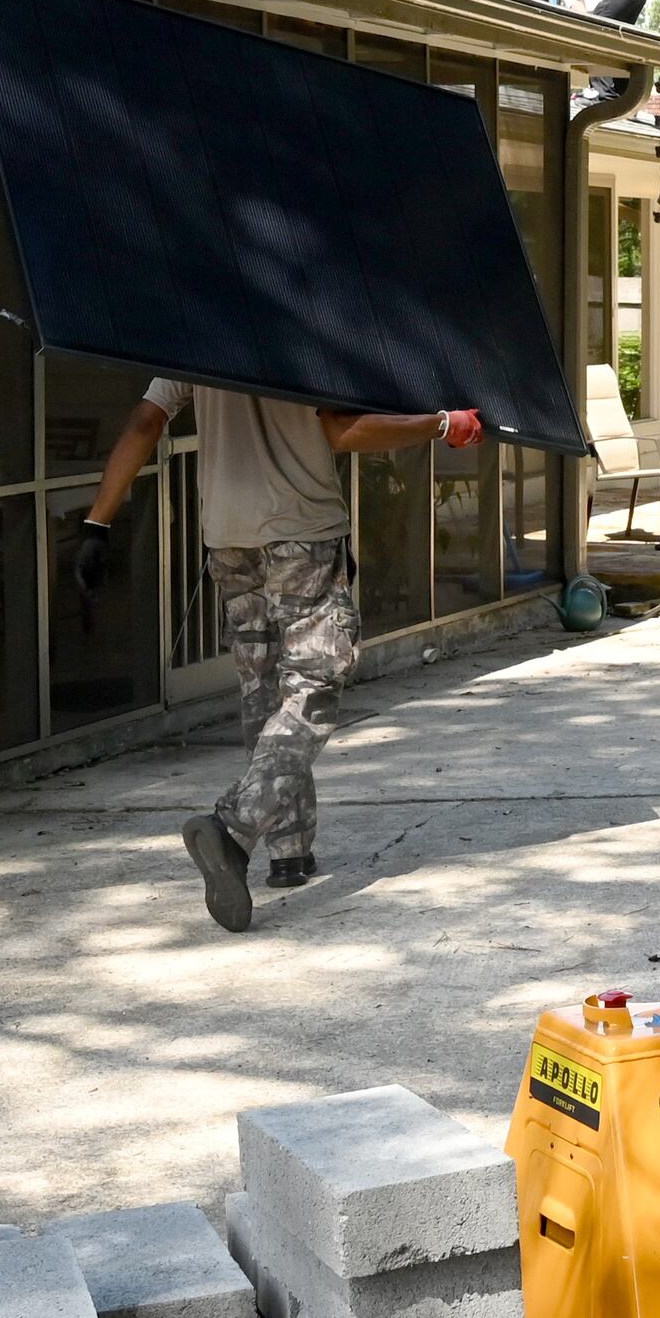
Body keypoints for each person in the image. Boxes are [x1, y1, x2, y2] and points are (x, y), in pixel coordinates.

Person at [70, 381, 482, 930]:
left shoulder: (195, 330)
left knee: (264, 693)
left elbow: (146, 421)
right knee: (311, 690)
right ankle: (233, 829)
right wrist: (442, 424)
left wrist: (98, 523)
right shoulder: (306, 325)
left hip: (228, 538)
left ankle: (288, 850)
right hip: (302, 533)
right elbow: (343, 429)